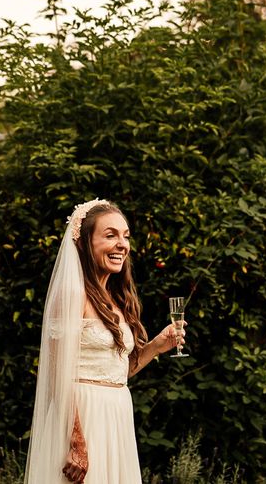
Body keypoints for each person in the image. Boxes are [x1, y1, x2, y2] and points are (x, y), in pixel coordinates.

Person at [24, 199, 185, 484]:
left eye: (125, 236)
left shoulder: (117, 300)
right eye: (110, 235)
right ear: (85, 243)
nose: (122, 244)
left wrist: (158, 345)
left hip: (116, 414)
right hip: (81, 417)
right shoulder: (73, 295)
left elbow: (117, 372)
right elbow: (55, 374)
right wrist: (76, 441)